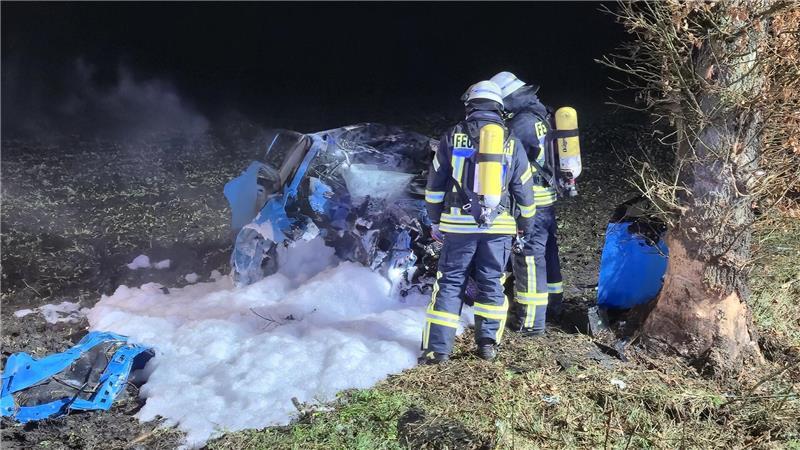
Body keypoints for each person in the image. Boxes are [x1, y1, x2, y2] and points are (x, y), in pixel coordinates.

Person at [420, 80, 537, 364]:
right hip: (499, 228)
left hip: (459, 226)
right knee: (492, 283)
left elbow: (435, 185)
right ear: (499, 108)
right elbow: (524, 189)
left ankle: (438, 351)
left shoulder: (452, 137)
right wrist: (526, 225)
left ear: (469, 106)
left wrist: (435, 221)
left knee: (449, 283)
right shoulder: (511, 141)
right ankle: (487, 345)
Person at [490, 71, 564, 336]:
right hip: (546, 196)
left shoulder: (521, 123)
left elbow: (508, 160)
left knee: (529, 257)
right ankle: (554, 302)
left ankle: (532, 322)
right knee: (547, 253)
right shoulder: (541, 114)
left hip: (531, 200)